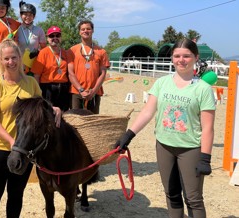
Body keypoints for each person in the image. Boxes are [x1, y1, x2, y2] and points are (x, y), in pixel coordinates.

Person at [114, 38, 216, 218]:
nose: (181, 60)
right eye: (177, 56)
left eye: (186, 56)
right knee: (172, 194)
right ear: (172, 58)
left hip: (190, 148)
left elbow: (208, 127)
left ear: (195, 57)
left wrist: (205, 158)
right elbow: (147, 112)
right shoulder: (162, 83)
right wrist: (129, 134)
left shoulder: (203, 89)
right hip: (164, 146)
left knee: (193, 199)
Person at [0, 39, 61, 218]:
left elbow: (42, 107)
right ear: (1, 60)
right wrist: (11, 142)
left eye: (14, 57)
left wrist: (54, 108)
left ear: (20, 57)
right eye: (7, 58)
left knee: (16, 195)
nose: (11, 62)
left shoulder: (31, 83)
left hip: (24, 150)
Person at [68, 20, 110, 114]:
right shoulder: (72, 50)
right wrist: (80, 90)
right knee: (76, 122)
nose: (85, 31)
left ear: (92, 31)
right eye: (83, 29)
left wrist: (94, 91)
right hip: (77, 92)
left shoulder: (101, 51)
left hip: (94, 93)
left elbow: (103, 74)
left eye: (88, 29)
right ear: (79, 32)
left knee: (93, 123)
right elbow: (71, 73)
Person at [31, 26, 71, 111]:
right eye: (52, 36)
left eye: (57, 35)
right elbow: (36, 75)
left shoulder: (65, 53)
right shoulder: (43, 53)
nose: (55, 38)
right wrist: (38, 93)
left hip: (63, 89)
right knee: (49, 115)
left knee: (64, 115)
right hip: (48, 89)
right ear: (47, 39)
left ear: (61, 38)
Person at [16, 1, 46, 75]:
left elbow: (44, 48)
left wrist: (38, 52)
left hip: (33, 63)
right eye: (25, 14)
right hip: (18, 64)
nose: (28, 17)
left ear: (34, 16)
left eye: (30, 15)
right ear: (21, 15)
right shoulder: (17, 29)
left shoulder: (39, 30)